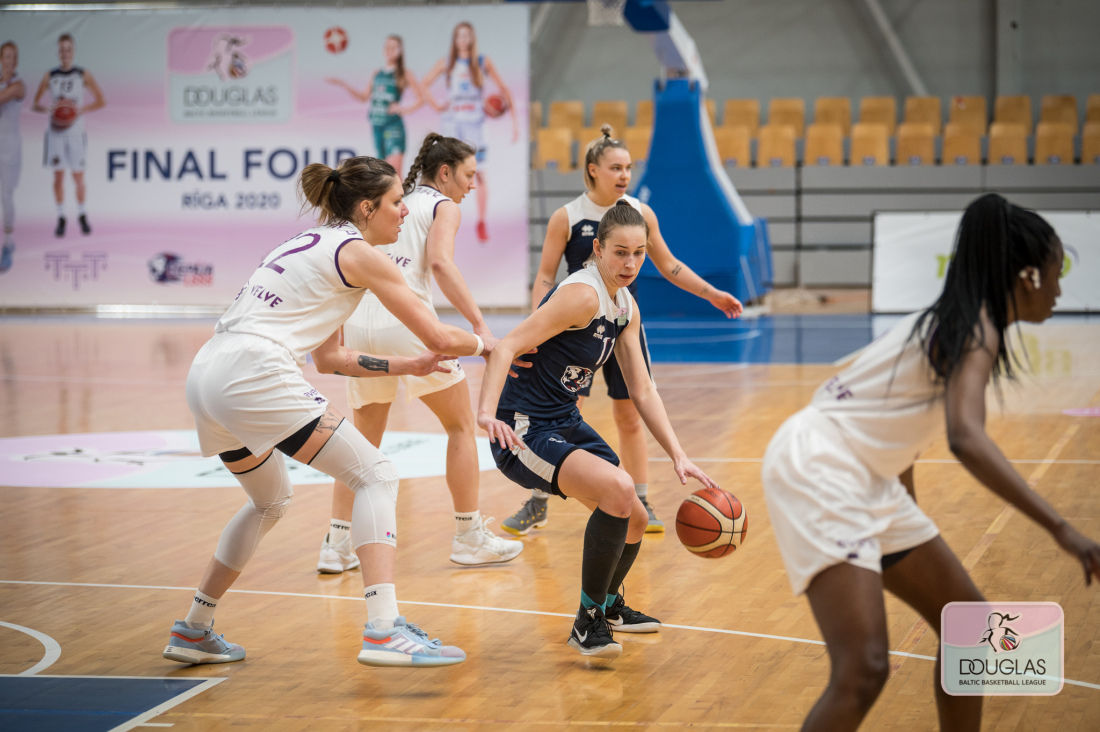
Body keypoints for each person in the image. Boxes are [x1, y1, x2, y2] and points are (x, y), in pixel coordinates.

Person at [761, 193, 1100, 730]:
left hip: (865, 474)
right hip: (820, 463)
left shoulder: (962, 320)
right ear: (1029, 276)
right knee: (865, 668)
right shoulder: (976, 328)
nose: (1061, 288)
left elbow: (894, 427)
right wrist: (1062, 529)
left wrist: (902, 526)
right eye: (1058, 274)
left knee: (971, 629)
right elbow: (965, 437)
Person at [165, 156, 491, 669]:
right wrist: (491, 343)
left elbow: (331, 359)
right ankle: (383, 628)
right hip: (254, 371)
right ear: (367, 208)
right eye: (395, 203)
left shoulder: (307, 243)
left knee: (270, 500)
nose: (405, 213)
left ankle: (194, 628)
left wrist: (410, 364)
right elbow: (439, 334)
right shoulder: (361, 255)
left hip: (208, 373)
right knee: (377, 475)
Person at [477, 201, 719, 659]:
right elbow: (507, 345)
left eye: (639, 253)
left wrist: (678, 454)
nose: (630, 263)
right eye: (620, 253)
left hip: (563, 420)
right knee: (618, 487)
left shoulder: (625, 305)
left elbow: (642, 389)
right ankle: (586, 624)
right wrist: (486, 413)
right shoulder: (582, 295)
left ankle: (608, 605)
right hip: (522, 428)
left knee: (636, 516)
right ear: (597, 250)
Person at [503, 125, 742, 537]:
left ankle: (640, 497)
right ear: (593, 170)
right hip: (573, 327)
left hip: (619, 324)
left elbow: (669, 265)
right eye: (616, 167)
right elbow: (545, 277)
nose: (624, 175)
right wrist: (533, 331)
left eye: (629, 168)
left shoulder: (639, 214)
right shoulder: (568, 217)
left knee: (631, 412)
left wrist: (711, 293)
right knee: (552, 410)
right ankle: (538, 499)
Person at [318, 133, 522, 573]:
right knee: (460, 426)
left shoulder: (392, 201)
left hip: (358, 324)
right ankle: (469, 536)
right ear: (445, 172)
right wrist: (479, 327)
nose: (472, 185)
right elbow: (443, 264)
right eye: (469, 175)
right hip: (407, 323)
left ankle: (336, 544)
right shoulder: (443, 206)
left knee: (362, 442)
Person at [422, 21, 518, 243]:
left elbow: (505, 89)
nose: (463, 40)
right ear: (455, 40)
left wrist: (514, 124)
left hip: (475, 124)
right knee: (445, 172)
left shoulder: (482, 62)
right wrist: (436, 105)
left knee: (479, 173)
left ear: (472, 39)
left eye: (467, 36)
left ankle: (481, 221)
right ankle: (440, 216)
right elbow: (424, 83)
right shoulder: (447, 63)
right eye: (459, 36)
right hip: (453, 125)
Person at [32, 33, 105, 238]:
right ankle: (61, 216)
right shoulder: (50, 75)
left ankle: (81, 214)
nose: (65, 53)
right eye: (62, 50)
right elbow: (35, 103)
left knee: (78, 177)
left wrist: (81, 109)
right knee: (58, 176)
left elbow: (101, 100)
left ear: (73, 51)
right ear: (58, 52)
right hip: (55, 134)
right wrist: (48, 109)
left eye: (68, 49)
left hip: (75, 134)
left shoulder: (82, 74)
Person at [326, 35, 427, 175]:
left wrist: (404, 109)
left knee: (394, 174)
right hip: (377, 125)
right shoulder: (377, 74)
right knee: (382, 175)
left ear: (400, 51)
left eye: (393, 47)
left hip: (393, 127)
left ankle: (401, 197)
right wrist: (344, 85)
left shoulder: (404, 74)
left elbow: (421, 98)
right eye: (387, 46)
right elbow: (363, 97)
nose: (389, 50)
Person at [0, 41, 23, 273]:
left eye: (13, 57)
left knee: (5, 195)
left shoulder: (18, 85)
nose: (10, 60)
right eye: (6, 56)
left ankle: (8, 244)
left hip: (10, 148)